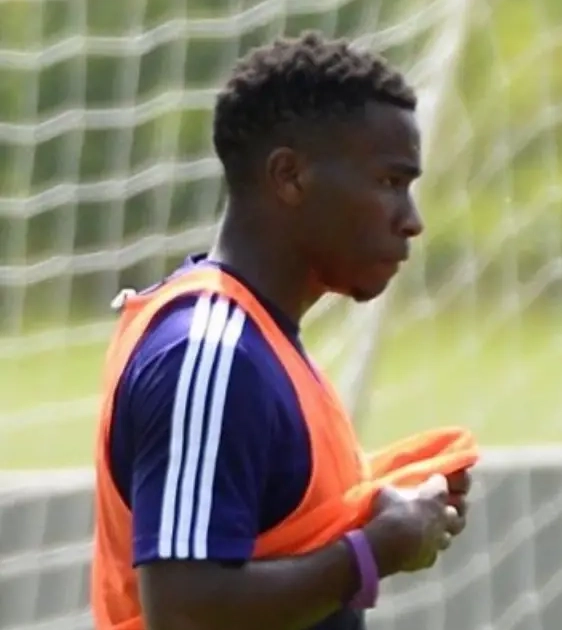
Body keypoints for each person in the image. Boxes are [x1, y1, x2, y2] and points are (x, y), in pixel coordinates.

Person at [90, 32, 471, 630]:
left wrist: (375, 507)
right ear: (290, 176)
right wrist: (373, 551)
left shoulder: (259, 342)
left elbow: (266, 536)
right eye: (389, 182)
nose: (412, 221)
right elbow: (185, 611)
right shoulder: (209, 352)